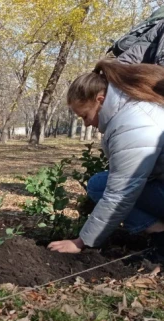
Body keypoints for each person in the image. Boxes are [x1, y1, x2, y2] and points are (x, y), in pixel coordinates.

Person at [48, 59, 164, 257]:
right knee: (99, 183)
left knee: (104, 188)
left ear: (100, 100)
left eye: (85, 116)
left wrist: (81, 242)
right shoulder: (133, 107)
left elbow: (120, 194)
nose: (85, 124)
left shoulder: (134, 124)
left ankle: (161, 237)